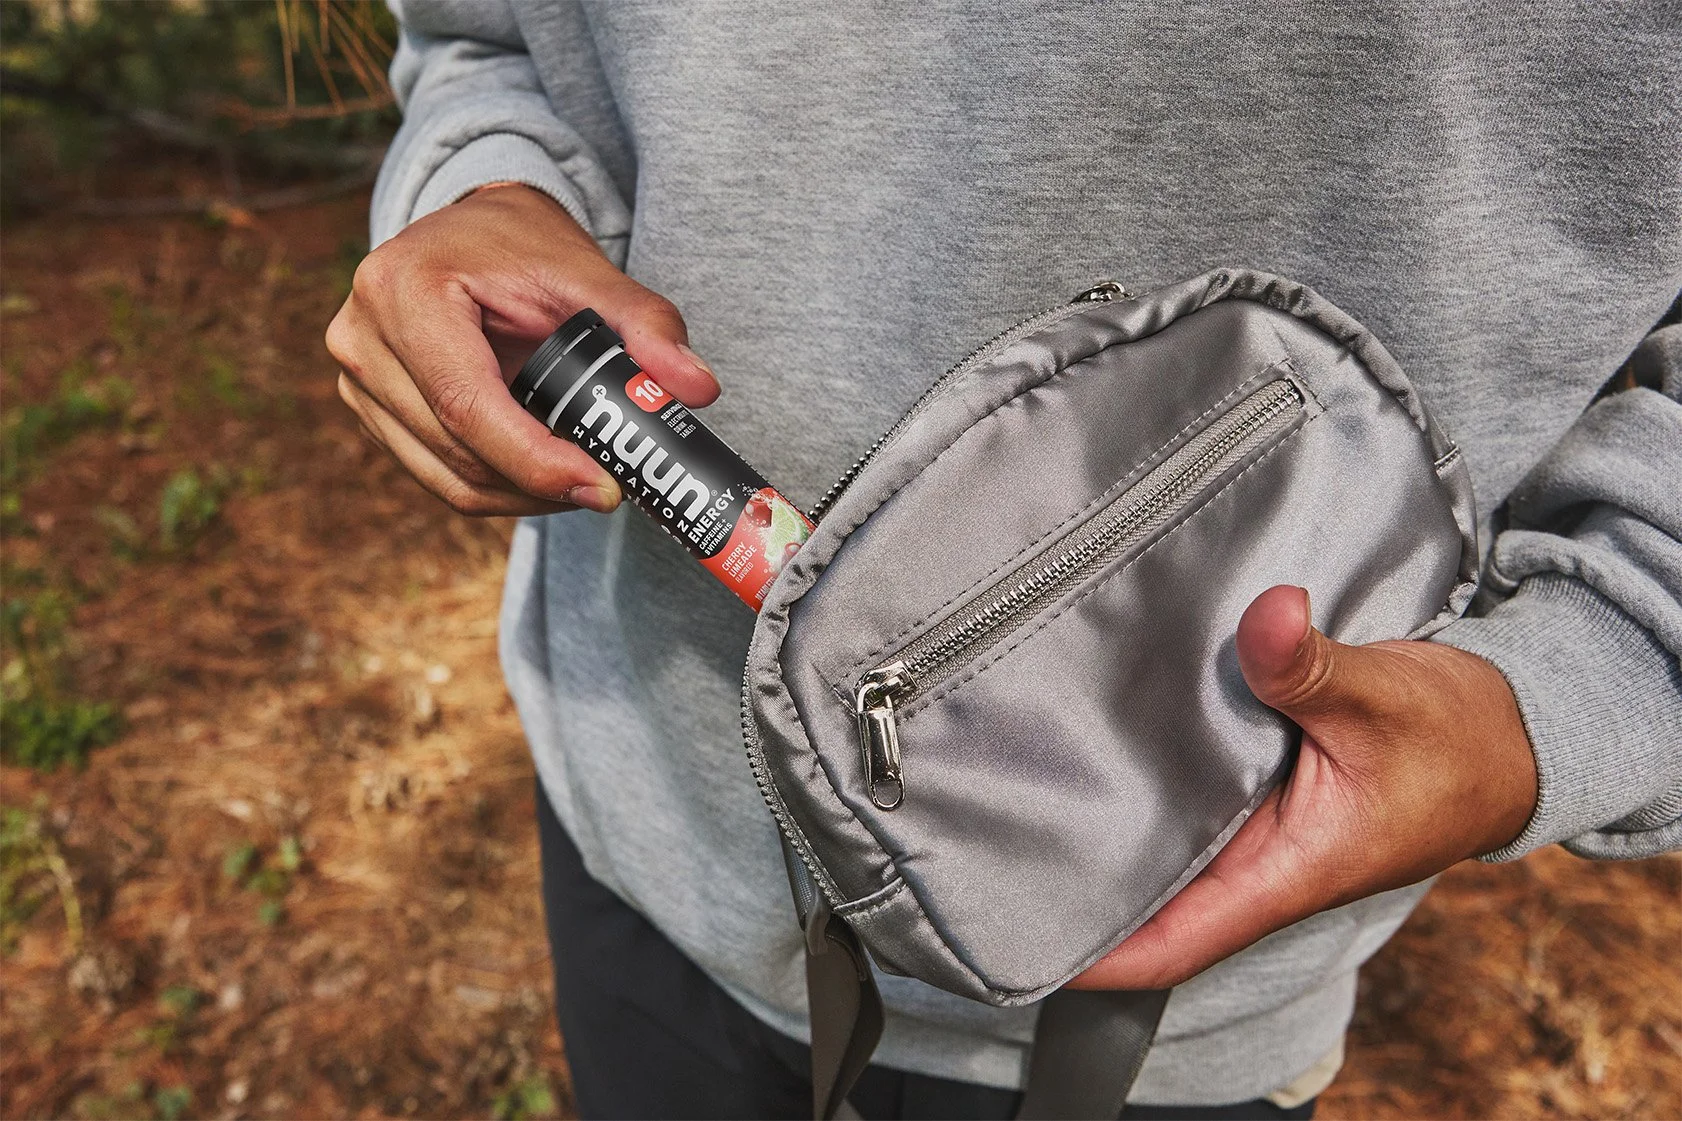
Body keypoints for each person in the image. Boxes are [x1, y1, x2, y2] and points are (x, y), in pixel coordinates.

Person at [326, 4, 1682, 1118]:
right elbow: (490, 43)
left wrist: (1561, 691)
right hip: (640, 838)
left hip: (1152, 995)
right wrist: (483, 182)